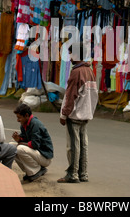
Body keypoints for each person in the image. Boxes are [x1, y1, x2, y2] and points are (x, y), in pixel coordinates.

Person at [58, 42, 98, 183]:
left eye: (70, 53)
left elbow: (70, 96)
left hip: (75, 114)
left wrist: (64, 114)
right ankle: (83, 173)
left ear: (75, 54)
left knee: (73, 146)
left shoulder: (76, 72)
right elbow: (94, 95)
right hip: (86, 113)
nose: (69, 57)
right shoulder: (90, 71)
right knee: (83, 144)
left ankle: (72, 174)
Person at [12, 103, 53, 182]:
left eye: (19, 118)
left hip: (44, 157)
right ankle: (30, 171)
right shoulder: (24, 124)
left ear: (26, 115)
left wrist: (21, 143)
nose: (18, 120)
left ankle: (36, 171)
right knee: (11, 147)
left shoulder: (35, 124)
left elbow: (34, 144)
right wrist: (19, 139)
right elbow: (24, 139)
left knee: (20, 148)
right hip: (37, 154)